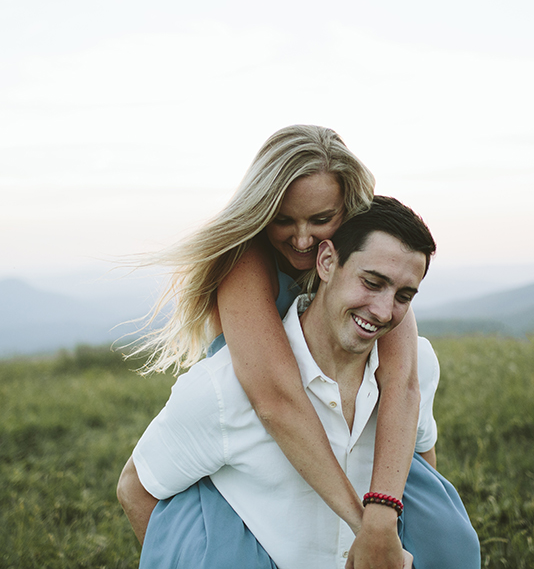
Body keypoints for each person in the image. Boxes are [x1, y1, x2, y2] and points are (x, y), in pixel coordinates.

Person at [118, 196, 480, 569]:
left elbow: (423, 465)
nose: (384, 311)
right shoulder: (222, 391)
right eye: (372, 283)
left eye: (404, 296)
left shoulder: (419, 367)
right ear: (326, 262)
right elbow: (136, 489)